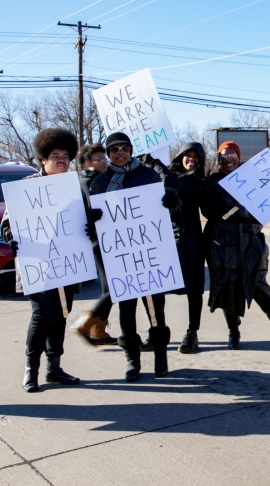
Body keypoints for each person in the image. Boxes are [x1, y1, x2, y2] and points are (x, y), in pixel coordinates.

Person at [1, 128, 102, 392]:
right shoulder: (26, 187)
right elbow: (7, 221)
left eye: (66, 156)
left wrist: (91, 228)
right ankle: (30, 369)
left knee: (61, 315)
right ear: (43, 160)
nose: (61, 160)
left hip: (66, 264)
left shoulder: (75, 189)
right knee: (42, 314)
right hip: (39, 265)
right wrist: (11, 235)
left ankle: (54, 368)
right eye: (55, 155)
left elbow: (84, 220)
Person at [89, 132, 182, 381]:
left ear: (131, 151)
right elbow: (93, 224)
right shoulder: (99, 182)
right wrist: (92, 221)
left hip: (149, 255)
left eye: (124, 148)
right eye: (114, 149)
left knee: (155, 309)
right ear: (108, 154)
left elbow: (166, 210)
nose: (120, 153)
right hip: (120, 258)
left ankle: (160, 356)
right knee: (126, 310)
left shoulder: (148, 175)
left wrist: (172, 200)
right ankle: (132, 359)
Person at [202, 140, 270, 350]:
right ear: (219, 158)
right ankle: (233, 329)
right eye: (224, 155)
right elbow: (208, 212)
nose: (228, 159)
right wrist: (228, 209)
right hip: (224, 243)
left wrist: (247, 212)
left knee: (258, 284)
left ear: (238, 156)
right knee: (228, 287)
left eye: (232, 154)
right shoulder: (214, 181)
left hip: (251, 240)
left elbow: (268, 206)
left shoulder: (254, 178)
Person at [145, 142, 208, 353]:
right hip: (165, 238)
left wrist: (154, 162)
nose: (192, 159)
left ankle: (192, 333)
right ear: (180, 157)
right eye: (188, 155)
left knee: (194, 289)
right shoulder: (164, 178)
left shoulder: (199, 181)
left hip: (191, 241)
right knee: (157, 287)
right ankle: (158, 331)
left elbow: (172, 182)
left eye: (196, 157)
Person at [72, 144, 117, 345]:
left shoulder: (101, 180)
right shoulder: (86, 183)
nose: (104, 162)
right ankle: (85, 322)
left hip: (108, 239)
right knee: (114, 289)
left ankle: (98, 330)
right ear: (88, 162)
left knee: (112, 288)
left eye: (105, 158)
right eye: (99, 159)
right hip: (99, 241)